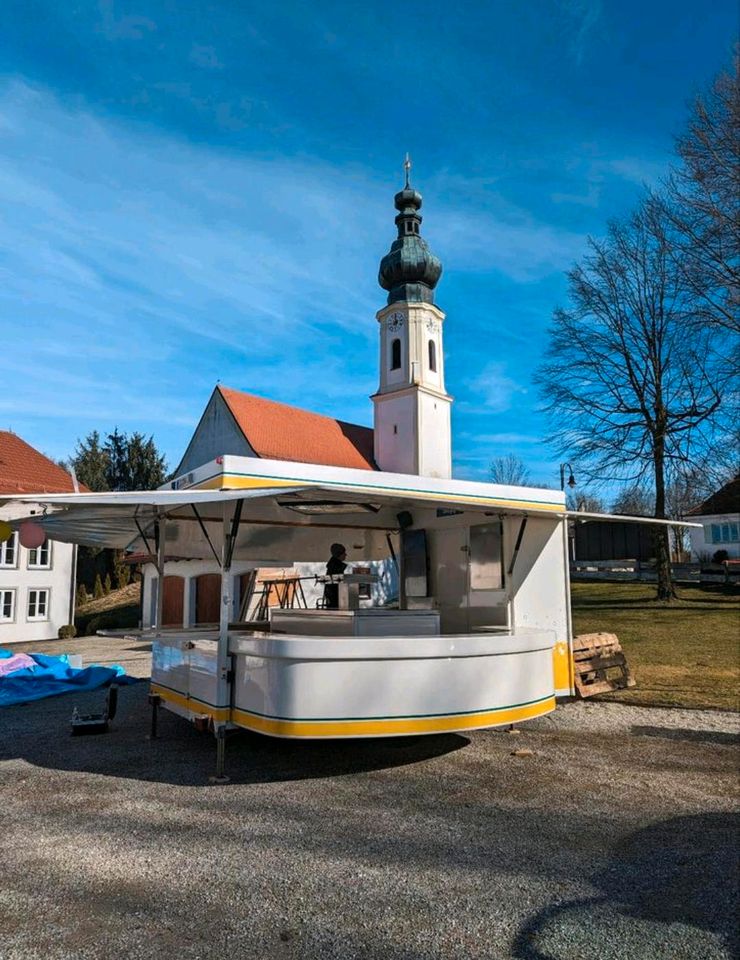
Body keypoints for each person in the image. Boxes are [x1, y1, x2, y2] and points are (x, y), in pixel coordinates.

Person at [323, 543, 347, 609]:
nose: (346, 555)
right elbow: (335, 584)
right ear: (339, 555)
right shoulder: (335, 567)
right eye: (344, 553)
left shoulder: (334, 565)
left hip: (334, 596)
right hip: (334, 598)